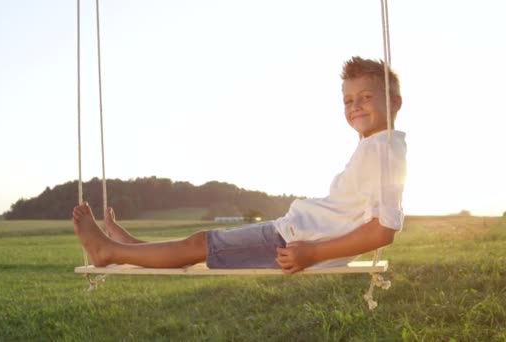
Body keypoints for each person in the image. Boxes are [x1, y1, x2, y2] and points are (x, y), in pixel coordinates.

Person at [73, 56, 407, 274]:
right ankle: (132, 249)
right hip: (292, 233)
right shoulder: (376, 146)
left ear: (394, 102)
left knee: (198, 245)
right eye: (349, 100)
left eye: (365, 97)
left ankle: (110, 252)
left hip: (292, 242)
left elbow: (383, 230)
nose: (355, 106)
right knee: (197, 245)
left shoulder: (382, 152)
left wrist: (313, 253)